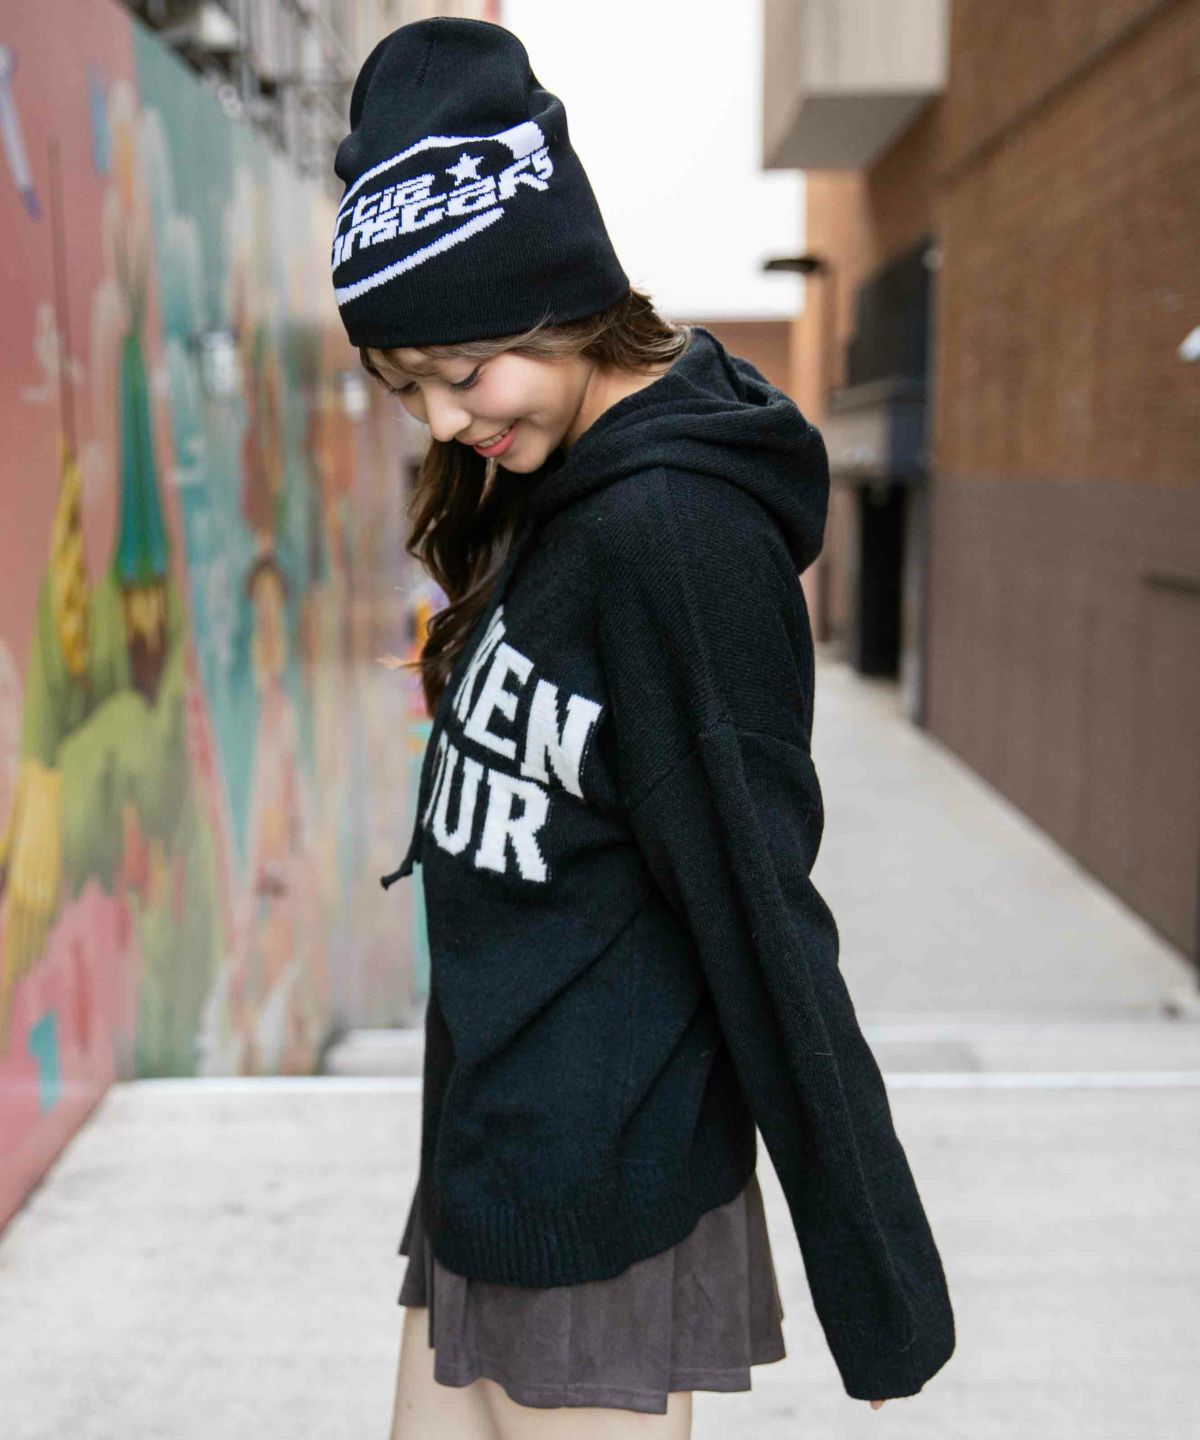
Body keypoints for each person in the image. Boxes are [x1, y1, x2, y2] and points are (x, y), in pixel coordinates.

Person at [328, 18, 956, 1439]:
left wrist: (876, 1278)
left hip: (597, 1178)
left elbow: (759, 907)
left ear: (560, 300)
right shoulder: (552, 492)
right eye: (403, 384)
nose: (441, 420)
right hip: (492, 1156)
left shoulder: (674, 539)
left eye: (463, 372)